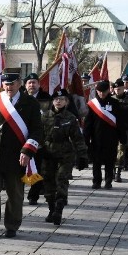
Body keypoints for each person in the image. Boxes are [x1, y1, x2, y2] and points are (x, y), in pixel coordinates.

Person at [0, 68, 42, 239]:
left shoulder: (30, 103)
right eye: (6, 84)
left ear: (19, 84)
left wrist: (27, 150)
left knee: (15, 194)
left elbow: (37, 130)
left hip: (18, 156)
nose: (9, 87)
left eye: (12, 84)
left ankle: (12, 225)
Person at [40, 88, 88, 225]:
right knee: (48, 181)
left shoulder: (71, 118)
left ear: (66, 102)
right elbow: (39, 135)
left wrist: (82, 155)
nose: (58, 101)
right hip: (48, 154)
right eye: (56, 99)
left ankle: (59, 209)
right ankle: (51, 208)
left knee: (61, 180)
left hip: (65, 155)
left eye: (62, 99)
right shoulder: (45, 117)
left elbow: (78, 138)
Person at [84, 80, 122, 189]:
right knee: (96, 162)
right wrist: (86, 138)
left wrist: (121, 136)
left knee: (110, 161)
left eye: (104, 91)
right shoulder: (92, 104)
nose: (102, 94)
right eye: (99, 91)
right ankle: (96, 181)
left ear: (108, 91)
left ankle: (108, 181)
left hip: (111, 137)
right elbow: (88, 123)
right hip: (96, 137)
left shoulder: (115, 103)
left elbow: (120, 121)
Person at [24, 72, 51, 206]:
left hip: (39, 139)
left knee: (37, 167)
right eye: (29, 82)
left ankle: (33, 195)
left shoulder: (46, 99)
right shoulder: (20, 98)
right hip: (21, 138)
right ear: (25, 85)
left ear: (39, 85)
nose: (32, 85)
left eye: (34, 82)